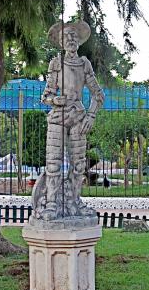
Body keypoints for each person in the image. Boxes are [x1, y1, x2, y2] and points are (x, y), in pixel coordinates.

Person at [39, 20, 104, 219]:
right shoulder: (56, 63)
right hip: (58, 117)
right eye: (66, 36)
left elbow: (98, 95)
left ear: (79, 41)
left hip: (78, 117)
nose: (70, 39)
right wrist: (54, 100)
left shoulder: (84, 64)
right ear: (61, 42)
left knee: (78, 164)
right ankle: (51, 204)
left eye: (74, 36)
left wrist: (91, 115)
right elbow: (46, 96)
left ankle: (74, 200)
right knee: (53, 163)